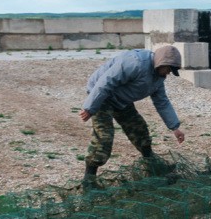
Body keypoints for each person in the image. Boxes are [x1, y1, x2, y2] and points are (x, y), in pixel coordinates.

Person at [79, 46, 185, 189]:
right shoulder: (134, 63)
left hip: (121, 99)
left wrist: (175, 127)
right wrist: (90, 107)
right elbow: (106, 82)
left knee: (139, 128)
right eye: (168, 69)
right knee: (104, 137)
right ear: (161, 63)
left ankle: (151, 163)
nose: (168, 73)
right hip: (102, 96)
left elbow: (162, 102)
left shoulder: (158, 78)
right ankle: (89, 178)